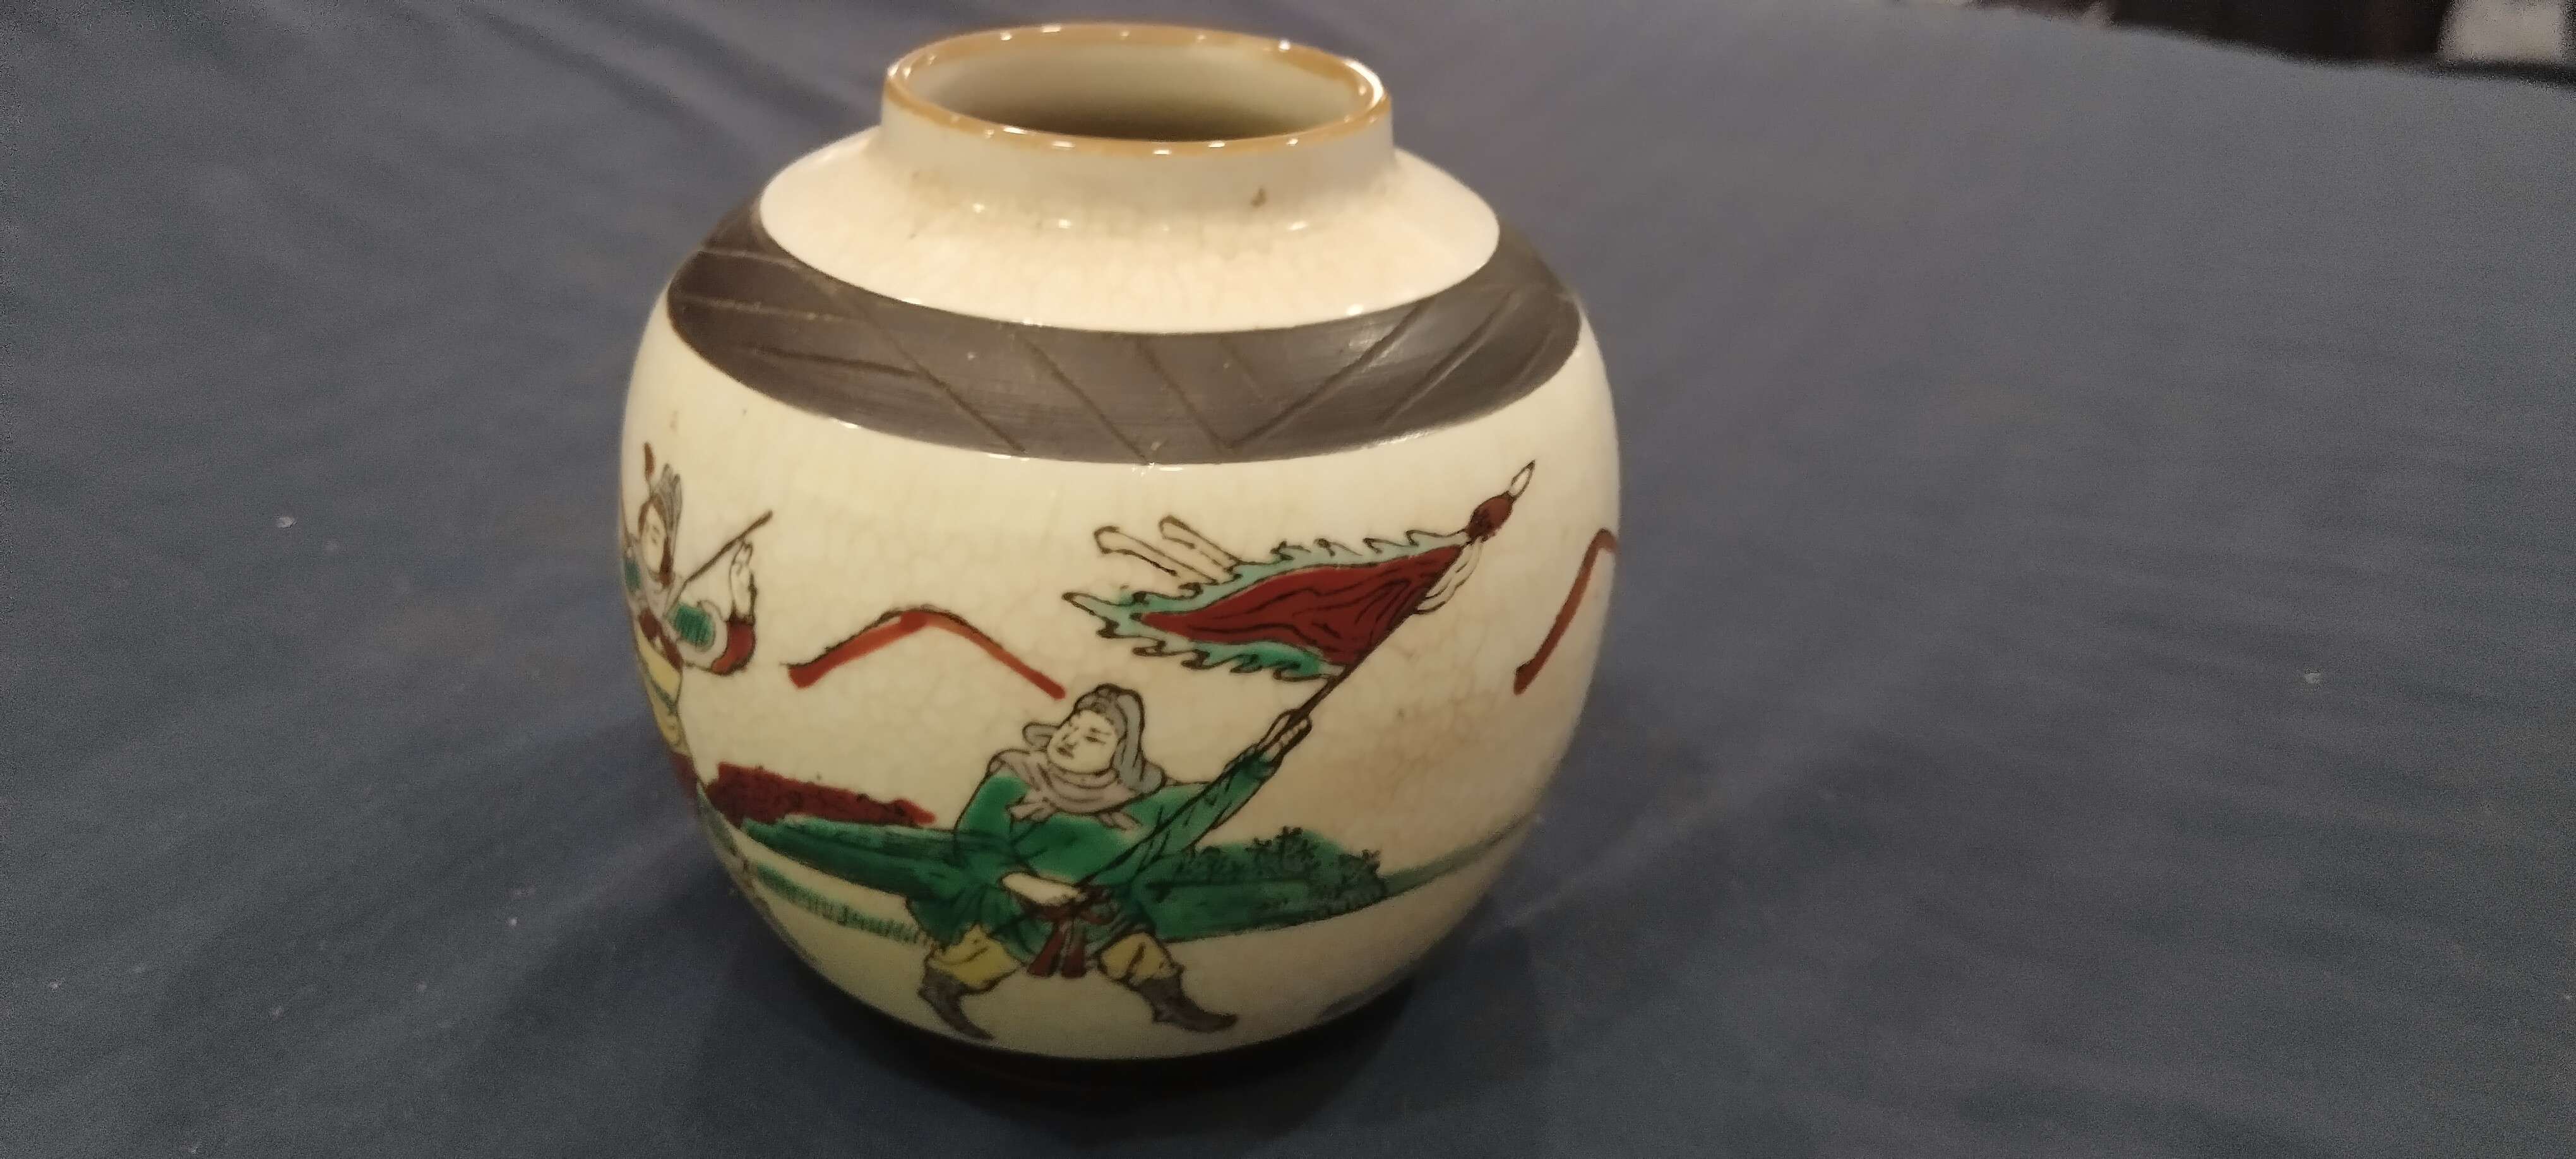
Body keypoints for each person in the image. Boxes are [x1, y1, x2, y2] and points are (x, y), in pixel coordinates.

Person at [750, 684, 1312, 1040]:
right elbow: (976, 843)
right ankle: (941, 988)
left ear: (1120, 754)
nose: (1072, 737)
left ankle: (1171, 1005)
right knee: (988, 951)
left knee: (1135, 948)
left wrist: (1263, 756)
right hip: (1014, 899)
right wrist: (1027, 884)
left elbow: (1205, 806)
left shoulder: (1143, 805)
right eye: (1072, 724)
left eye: (1094, 735)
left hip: (1099, 910)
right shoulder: (1016, 778)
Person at [621, 448, 757, 796]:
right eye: (646, 530)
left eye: (657, 535)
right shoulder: (637, 575)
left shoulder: (679, 616)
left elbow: (727, 650)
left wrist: (742, 608)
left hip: (674, 723)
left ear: (668, 548)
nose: (648, 540)